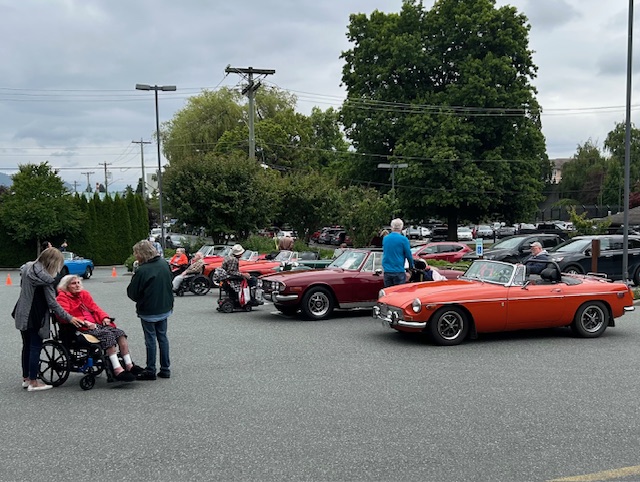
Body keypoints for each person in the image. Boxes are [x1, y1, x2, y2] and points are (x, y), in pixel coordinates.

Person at [11, 248, 84, 392]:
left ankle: (26, 378)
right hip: (36, 315)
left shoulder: (27, 268)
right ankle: (34, 382)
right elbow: (52, 303)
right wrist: (69, 318)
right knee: (35, 346)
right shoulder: (46, 280)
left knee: (27, 345)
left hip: (21, 310)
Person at [56, 275, 141, 381]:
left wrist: (104, 317)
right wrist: (84, 322)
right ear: (66, 286)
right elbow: (65, 316)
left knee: (120, 333)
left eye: (78, 283)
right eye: (73, 283)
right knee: (107, 335)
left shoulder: (84, 294)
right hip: (78, 329)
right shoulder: (62, 297)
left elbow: (95, 308)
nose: (77, 285)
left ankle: (129, 365)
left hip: (94, 325)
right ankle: (117, 369)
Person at [127, 240, 174, 380]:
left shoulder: (142, 270)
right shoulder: (164, 264)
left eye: (136, 253)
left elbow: (133, 293)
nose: (135, 256)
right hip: (164, 306)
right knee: (163, 337)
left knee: (150, 339)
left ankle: (150, 369)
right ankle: (165, 368)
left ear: (141, 254)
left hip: (148, 309)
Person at [382, 218, 414, 287]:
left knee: (389, 291)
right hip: (398, 270)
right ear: (401, 227)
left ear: (391, 227)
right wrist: (411, 267)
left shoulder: (385, 239)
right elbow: (408, 255)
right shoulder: (403, 239)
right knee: (398, 291)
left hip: (387, 270)